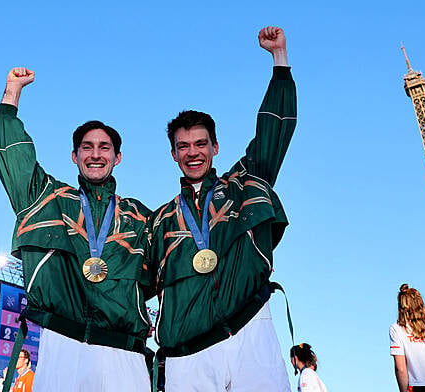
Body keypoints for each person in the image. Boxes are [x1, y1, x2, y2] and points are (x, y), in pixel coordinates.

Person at [148, 26, 296, 391]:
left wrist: (280, 60)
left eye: (200, 143)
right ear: (173, 155)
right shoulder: (160, 220)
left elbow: (272, 132)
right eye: (183, 146)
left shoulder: (242, 185)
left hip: (250, 332)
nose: (192, 152)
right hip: (188, 354)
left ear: (215, 147)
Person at [0, 67, 152, 391]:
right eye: (87, 147)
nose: (96, 154)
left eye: (104, 147)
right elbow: (11, 154)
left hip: (125, 352)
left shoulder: (140, 217)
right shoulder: (47, 197)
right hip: (62, 346)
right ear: (74, 156)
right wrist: (12, 92)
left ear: (117, 157)